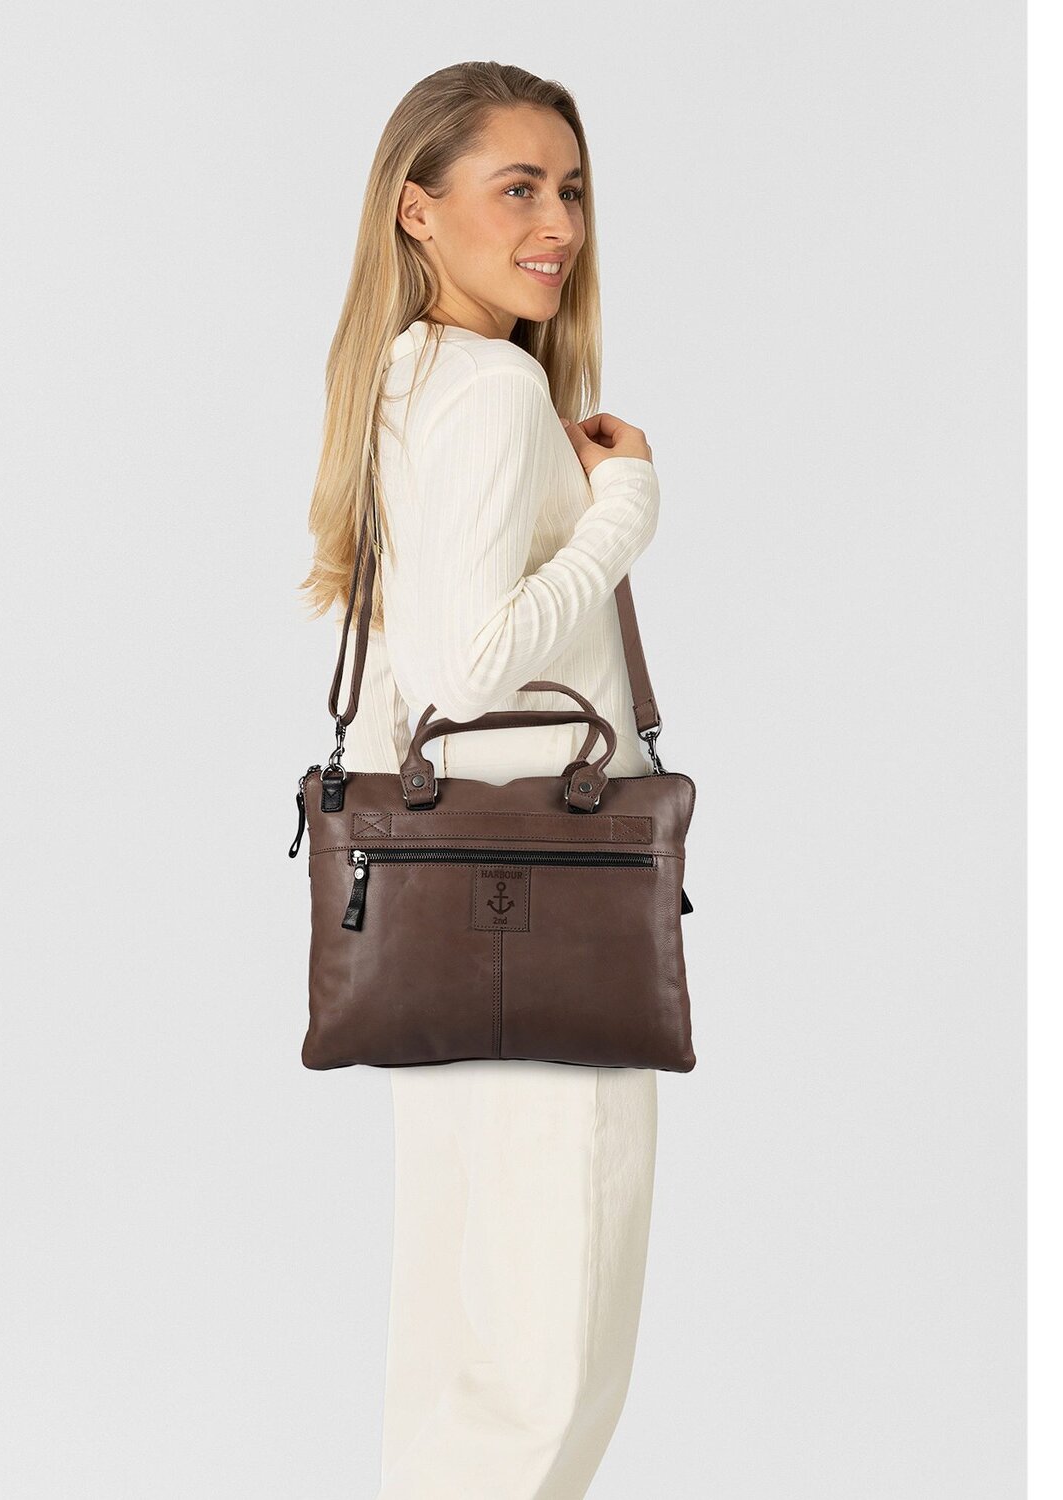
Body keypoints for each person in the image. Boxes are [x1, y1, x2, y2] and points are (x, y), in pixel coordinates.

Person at [298, 62, 665, 1499]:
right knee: (548, 1358)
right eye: (517, 188)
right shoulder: (496, 389)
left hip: (450, 916)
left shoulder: (407, 378)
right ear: (418, 208)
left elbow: (413, 674)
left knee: (466, 1343)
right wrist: (624, 510)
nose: (558, 223)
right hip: (552, 908)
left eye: (569, 188)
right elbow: (465, 669)